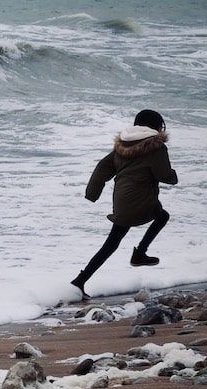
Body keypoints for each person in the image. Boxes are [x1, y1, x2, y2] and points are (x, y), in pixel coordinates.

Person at [71, 109, 178, 300]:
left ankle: (80, 281)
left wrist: (92, 193)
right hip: (140, 200)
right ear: (156, 126)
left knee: (112, 243)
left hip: (121, 200)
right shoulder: (156, 147)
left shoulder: (122, 146)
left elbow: (102, 169)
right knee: (162, 216)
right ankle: (139, 254)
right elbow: (164, 175)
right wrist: (173, 177)